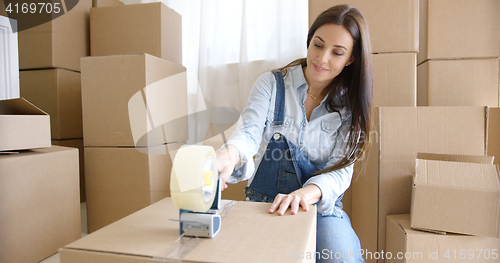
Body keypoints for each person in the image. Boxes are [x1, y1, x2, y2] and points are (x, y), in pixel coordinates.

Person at [216, 4, 372, 263]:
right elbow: (249, 134)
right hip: (265, 204)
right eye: (318, 45)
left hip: (319, 208)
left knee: (339, 258)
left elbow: (340, 172)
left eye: (337, 53)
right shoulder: (271, 84)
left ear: (351, 58)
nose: (322, 59)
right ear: (309, 41)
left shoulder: (351, 105)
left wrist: (303, 194)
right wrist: (229, 154)